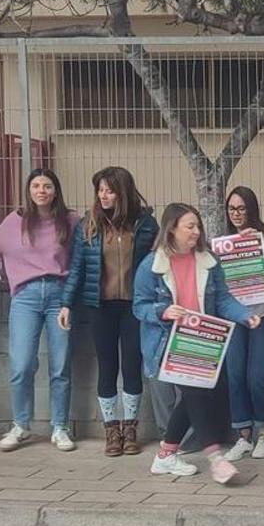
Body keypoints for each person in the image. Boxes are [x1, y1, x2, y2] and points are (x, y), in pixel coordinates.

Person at [133, 203, 260, 484]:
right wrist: (163, 311)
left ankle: (165, 455)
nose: (196, 231)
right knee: (195, 394)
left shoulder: (209, 261)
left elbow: (223, 299)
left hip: (203, 340)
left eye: (197, 226)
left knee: (193, 398)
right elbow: (139, 306)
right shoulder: (151, 265)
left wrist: (244, 315)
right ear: (171, 229)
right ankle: (216, 459)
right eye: (189, 226)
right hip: (167, 342)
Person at [59, 166, 157, 457]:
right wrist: (66, 303)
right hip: (100, 307)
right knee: (107, 366)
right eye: (100, 190)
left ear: (123, 192)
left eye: (110, 191)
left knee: (132, 366)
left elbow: (156, 264)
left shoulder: (145, 224)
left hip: (133, 307)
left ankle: (130, 429)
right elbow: (77, 267)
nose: (103, 196)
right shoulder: (88, 225)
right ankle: (111, 430)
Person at [0, 169, 80, 453]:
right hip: (24, 297)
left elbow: (82, 258)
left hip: (59, 297)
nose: (41, 191)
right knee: (21, 364)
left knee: (60, 365)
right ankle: (21, 425)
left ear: (56, 190)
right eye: (36, 185)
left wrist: (70, 298)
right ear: (28, 190)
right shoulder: (14, 221)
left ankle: (60, 427)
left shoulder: (71, 220)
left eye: (47, 186)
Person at [221, 187, 264, 462]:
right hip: (235, 313)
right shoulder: (223, 240)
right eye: (231, 209)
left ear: (252, 209)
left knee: (258, 374)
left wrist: (259, 246)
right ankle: (243, 435)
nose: (236, 214)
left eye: (241, 208)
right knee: (235, 373)